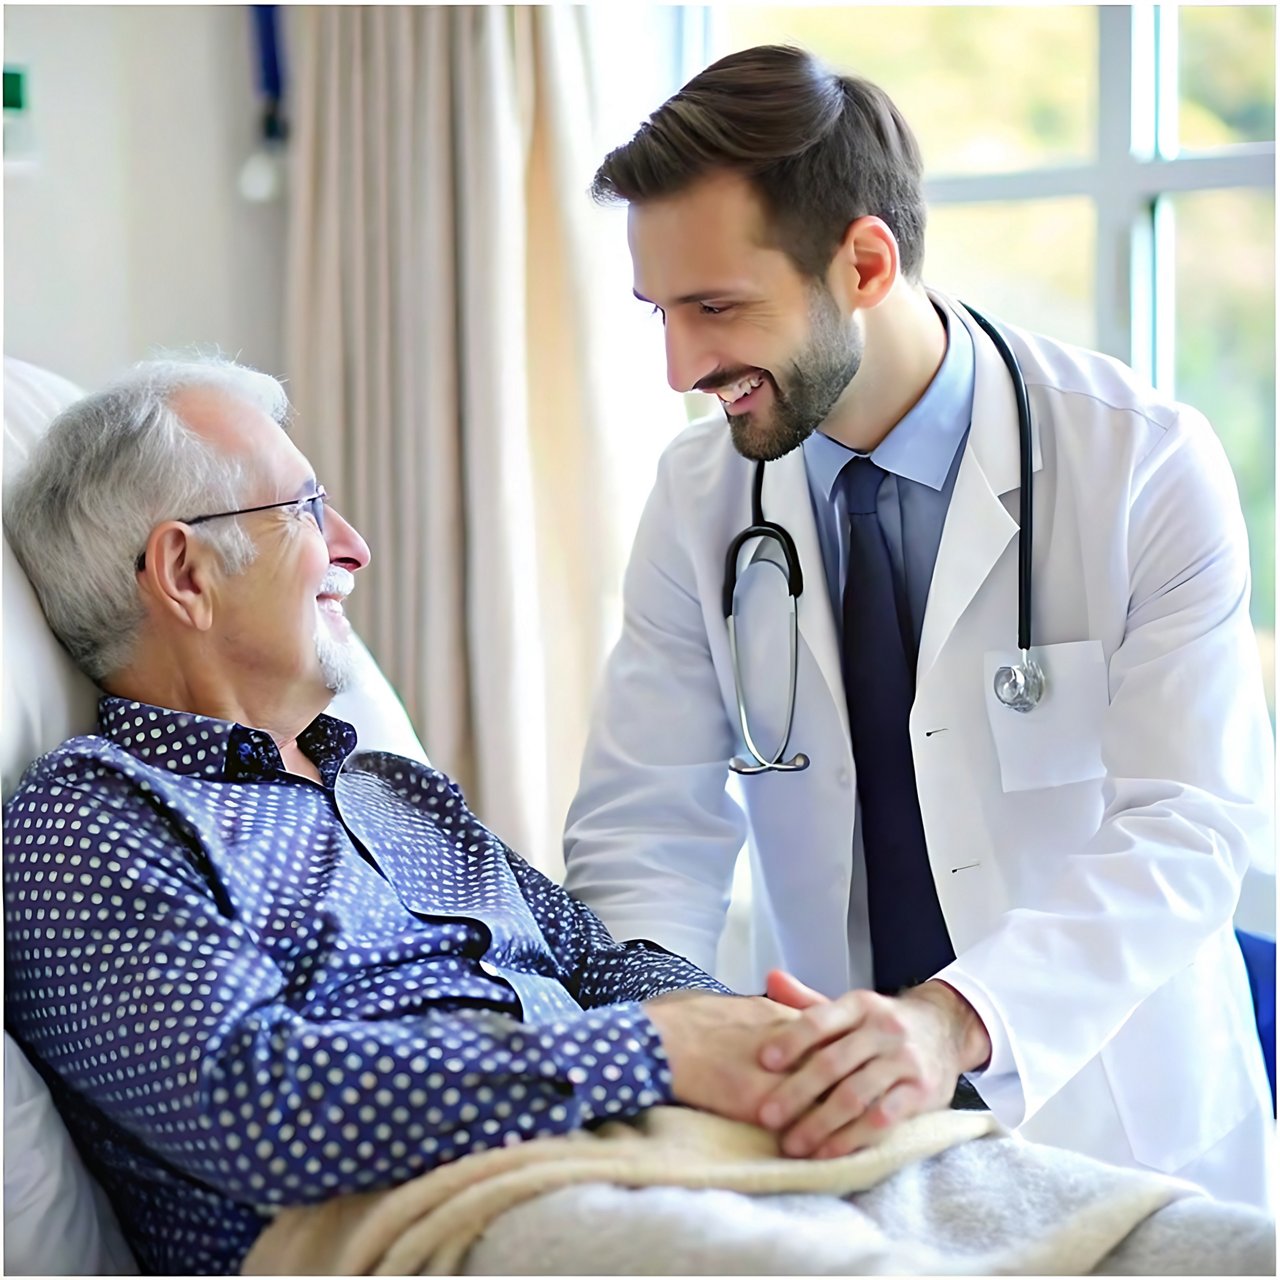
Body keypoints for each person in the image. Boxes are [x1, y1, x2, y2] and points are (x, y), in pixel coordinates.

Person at [562, 44, 1275, 1208]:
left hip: (1117, 1124)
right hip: (846, 1135)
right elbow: (646, 824)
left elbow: (1190, 825)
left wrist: (950, 1021)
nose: (680, 367)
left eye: (714, 308)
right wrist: (673, 1036)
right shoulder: (701, 498)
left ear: (862, 260)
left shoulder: (1136, 459)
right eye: (659, 313)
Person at [1, 355, 846, 1274]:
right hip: (430, 1228)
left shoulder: (391, 789)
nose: (353, 547)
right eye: (306, 511)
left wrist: (786, 1044)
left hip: (638, 1160)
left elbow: (598, 960)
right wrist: (646, 1052)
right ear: (184, 572)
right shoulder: (88, 822)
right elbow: (253, 1106)